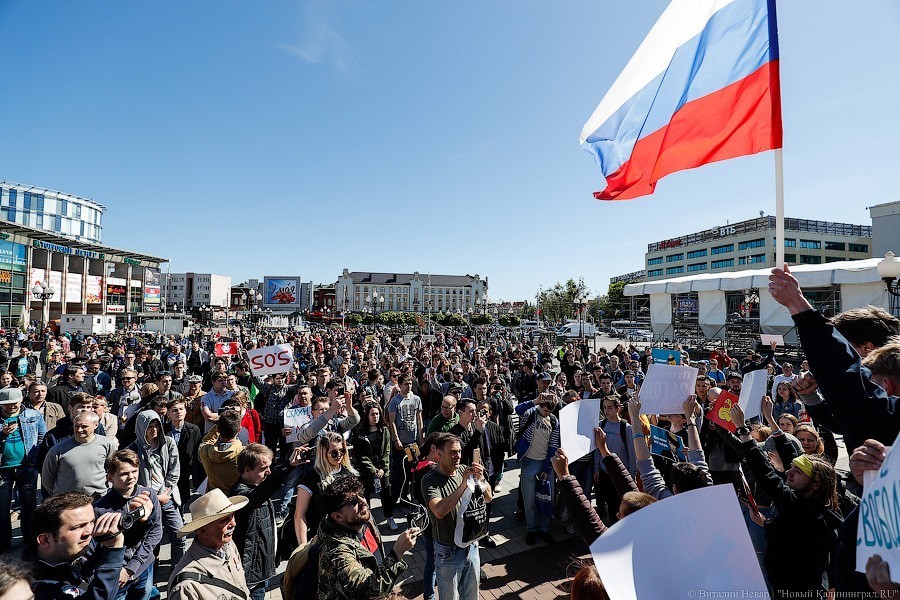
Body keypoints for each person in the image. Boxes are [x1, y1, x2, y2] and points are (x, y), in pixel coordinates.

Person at [730, 403, 841, 599]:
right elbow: (793, 457)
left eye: (796, 472)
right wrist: (771, 420)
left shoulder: (800, 506)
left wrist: (742, 429)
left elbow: (765, 474)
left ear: (815, 484)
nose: (788, 472)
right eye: (791, 468)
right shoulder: (811, 501)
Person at [316, 475, 418, 600]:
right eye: (353, 502)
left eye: (361, 494)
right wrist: (396, 553)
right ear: (338, 516)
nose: (363, 502)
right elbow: (368, 592)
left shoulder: (363, 519)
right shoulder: (336, 552)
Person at [421, 434, 492, 600]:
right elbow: (439, 510)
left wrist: (481, 479)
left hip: (471, 545)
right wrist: (463, 485)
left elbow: (488, 497)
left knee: (471, 596)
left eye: (459, 451)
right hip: (448, 551)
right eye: (452, 452)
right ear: (439, 454)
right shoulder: (430, 480)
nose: (458, 456)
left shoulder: (463, 470)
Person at [230, 444, 304, 600]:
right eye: (263, 469)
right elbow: (261, 493)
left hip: (263, 570)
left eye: (270, 467)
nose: (268, 472)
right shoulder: (240, 494)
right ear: (246, 471)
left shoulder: (256, 485)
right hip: (251, 577)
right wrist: (288, 467)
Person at [25, 492, 128, 600]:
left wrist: (144, 517)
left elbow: (128, 542)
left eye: (92, 522)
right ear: (45, 540)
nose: (90, 532)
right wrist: (114, 551)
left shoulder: (77, 547)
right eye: (78, 527)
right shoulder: (37, 588)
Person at [94, 450, 162, 600]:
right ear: (110, 477)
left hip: (143, 566)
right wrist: (119, 570)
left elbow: (155, 532)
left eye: (134, 471)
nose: (131, 477)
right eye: (124, 473)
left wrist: (132, 568)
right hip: (117, 574)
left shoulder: (149, 495)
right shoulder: (100, 509)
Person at [126, 409, 187, 566]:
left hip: (167, 497)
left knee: (179, 535)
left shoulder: (168, 443)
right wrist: (153, 497)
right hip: (146, 501)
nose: (154, 430)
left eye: (156, 425)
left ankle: (177, 572)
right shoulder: (131, 451)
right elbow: (132, 481)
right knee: (149, 541)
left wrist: (166, 491)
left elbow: (174, 470)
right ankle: (149, 574)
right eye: (149, 427)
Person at [167, 489, 250, 600]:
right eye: (225, 520)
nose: (233, 523)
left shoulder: (228, 544)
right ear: (202, 531)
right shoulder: (186, 587)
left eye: (232, 516)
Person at [0, 387, 45, 552]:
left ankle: (31, 538)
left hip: (26, 467)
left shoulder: (33, 415)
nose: (11, 406)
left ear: (21, 400)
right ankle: (4, 543)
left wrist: (33, 461)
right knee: (2, 507)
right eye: (7, 404)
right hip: (3, 468)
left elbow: (42, 436)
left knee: (29, 504)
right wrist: (2, 433)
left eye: (14, 403)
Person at [294, 431, 358, 546]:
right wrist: (302, 548)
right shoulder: (311, 478)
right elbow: (299, 515)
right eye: (334, 453)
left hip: (348, 537)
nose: (339, 455)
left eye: (342, 451)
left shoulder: (349, 474)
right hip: (321, 539)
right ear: (323, 454)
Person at [514, 392, 560, 544]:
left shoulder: (553, 421)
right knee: (529, 500)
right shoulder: (531, 414)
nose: (547, 413)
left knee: (547, 498)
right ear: (541, 406)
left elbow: (553, 445)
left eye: (550, 411)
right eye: (545, 410)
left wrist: (547, 468)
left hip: (545, 463)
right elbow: (518, 410)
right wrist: (535, 401)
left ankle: (544, 528)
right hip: (529, 461)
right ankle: (531, 529)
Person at [42, 409, 116, 498]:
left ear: (96, 425)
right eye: (76, 426)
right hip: (68, 501)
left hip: (97, 499)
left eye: (84, 426)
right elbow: (47, 479)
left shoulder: (106, 444)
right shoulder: (58, 449)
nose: (80, 430)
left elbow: (112, 469)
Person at [350, 401, 395, 530]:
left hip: (382, 469)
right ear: (367, 416)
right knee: (366, 495)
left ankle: (389, 518)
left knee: (386, 494)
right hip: (367, 471)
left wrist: (382, 468)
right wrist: (372, 469)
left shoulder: (384, 430)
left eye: (377, 414)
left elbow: (387, 451)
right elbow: (360, 455)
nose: (375, 417)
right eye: (372, 414)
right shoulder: (360, 432)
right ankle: (367, 521)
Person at [164, 398, 202, 510]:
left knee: (183, 497)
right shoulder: (163, 430)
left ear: (186, 411)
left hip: (185, 470)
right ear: (168, 414)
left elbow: (197, 452)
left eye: (181, 409)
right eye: (174, 410)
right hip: (167, 470)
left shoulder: (194, 429)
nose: (178, 412)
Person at [198, 409, 244, 493]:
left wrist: (217, 426)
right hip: (237, 499)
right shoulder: (244, 454)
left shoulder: (205, 452)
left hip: (215, 499)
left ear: (218, 429)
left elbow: (206, 440)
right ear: (239, 429)